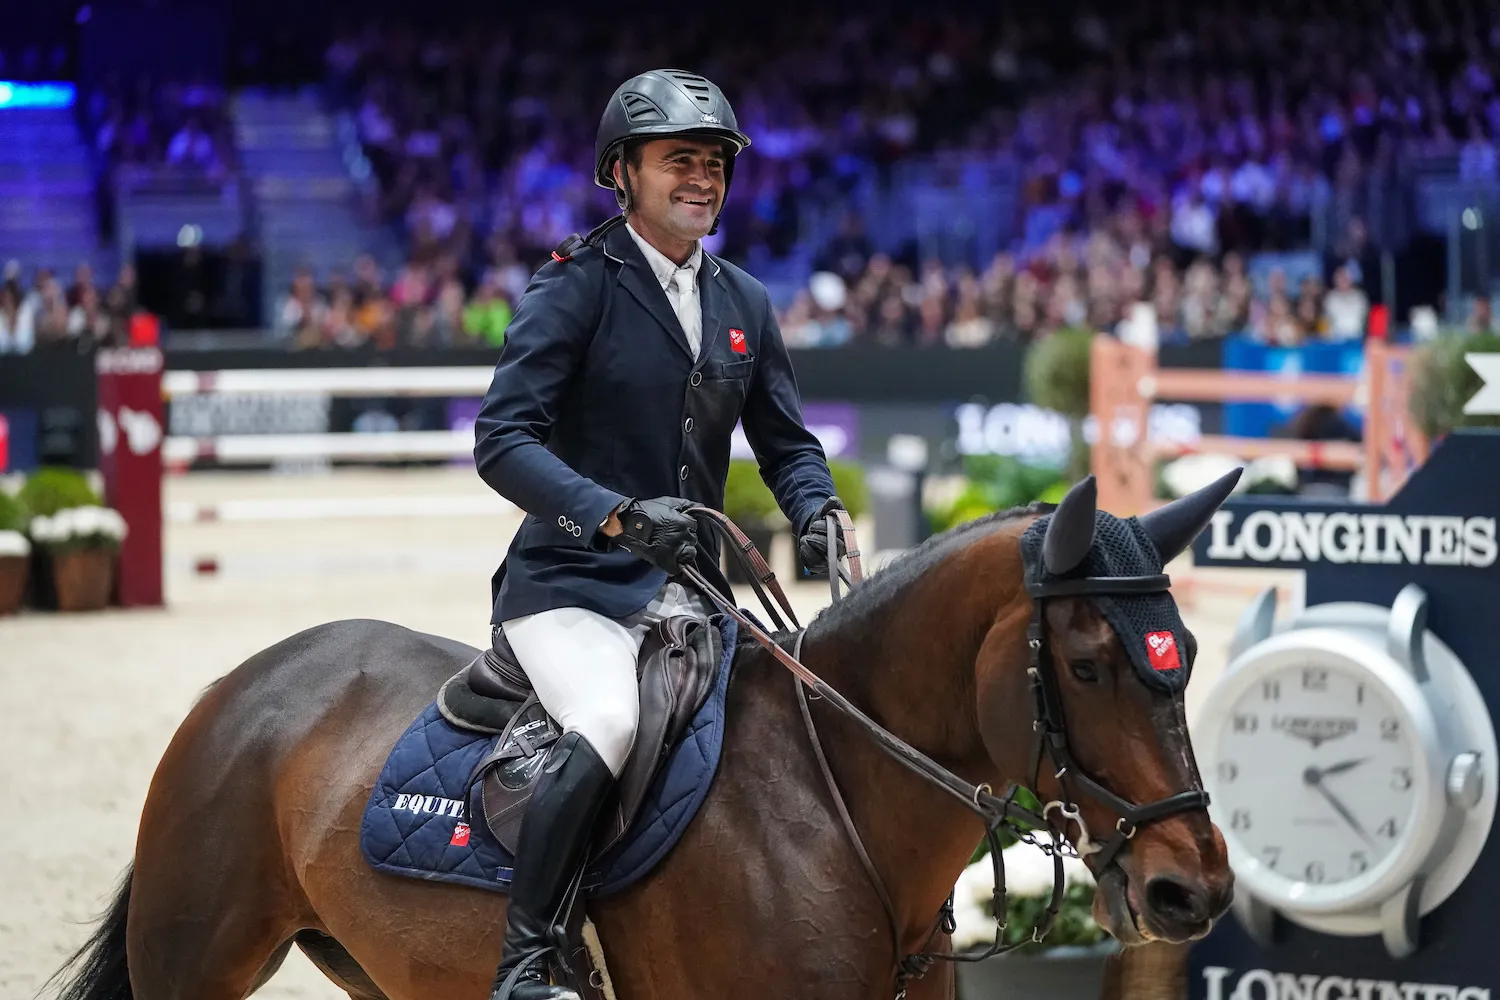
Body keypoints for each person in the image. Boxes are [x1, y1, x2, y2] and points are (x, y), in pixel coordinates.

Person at [472, 68, 851, 1000]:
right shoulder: (574, 287)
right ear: (622, 172)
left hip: (696, 594)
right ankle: (526, 960)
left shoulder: (744, 302)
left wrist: (817, 508)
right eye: (679, 159)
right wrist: (612, 512)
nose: (703, 177)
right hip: (571, 585)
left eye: (715, 162)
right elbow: (501, 442)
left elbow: (787, 443)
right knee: (607, 719)